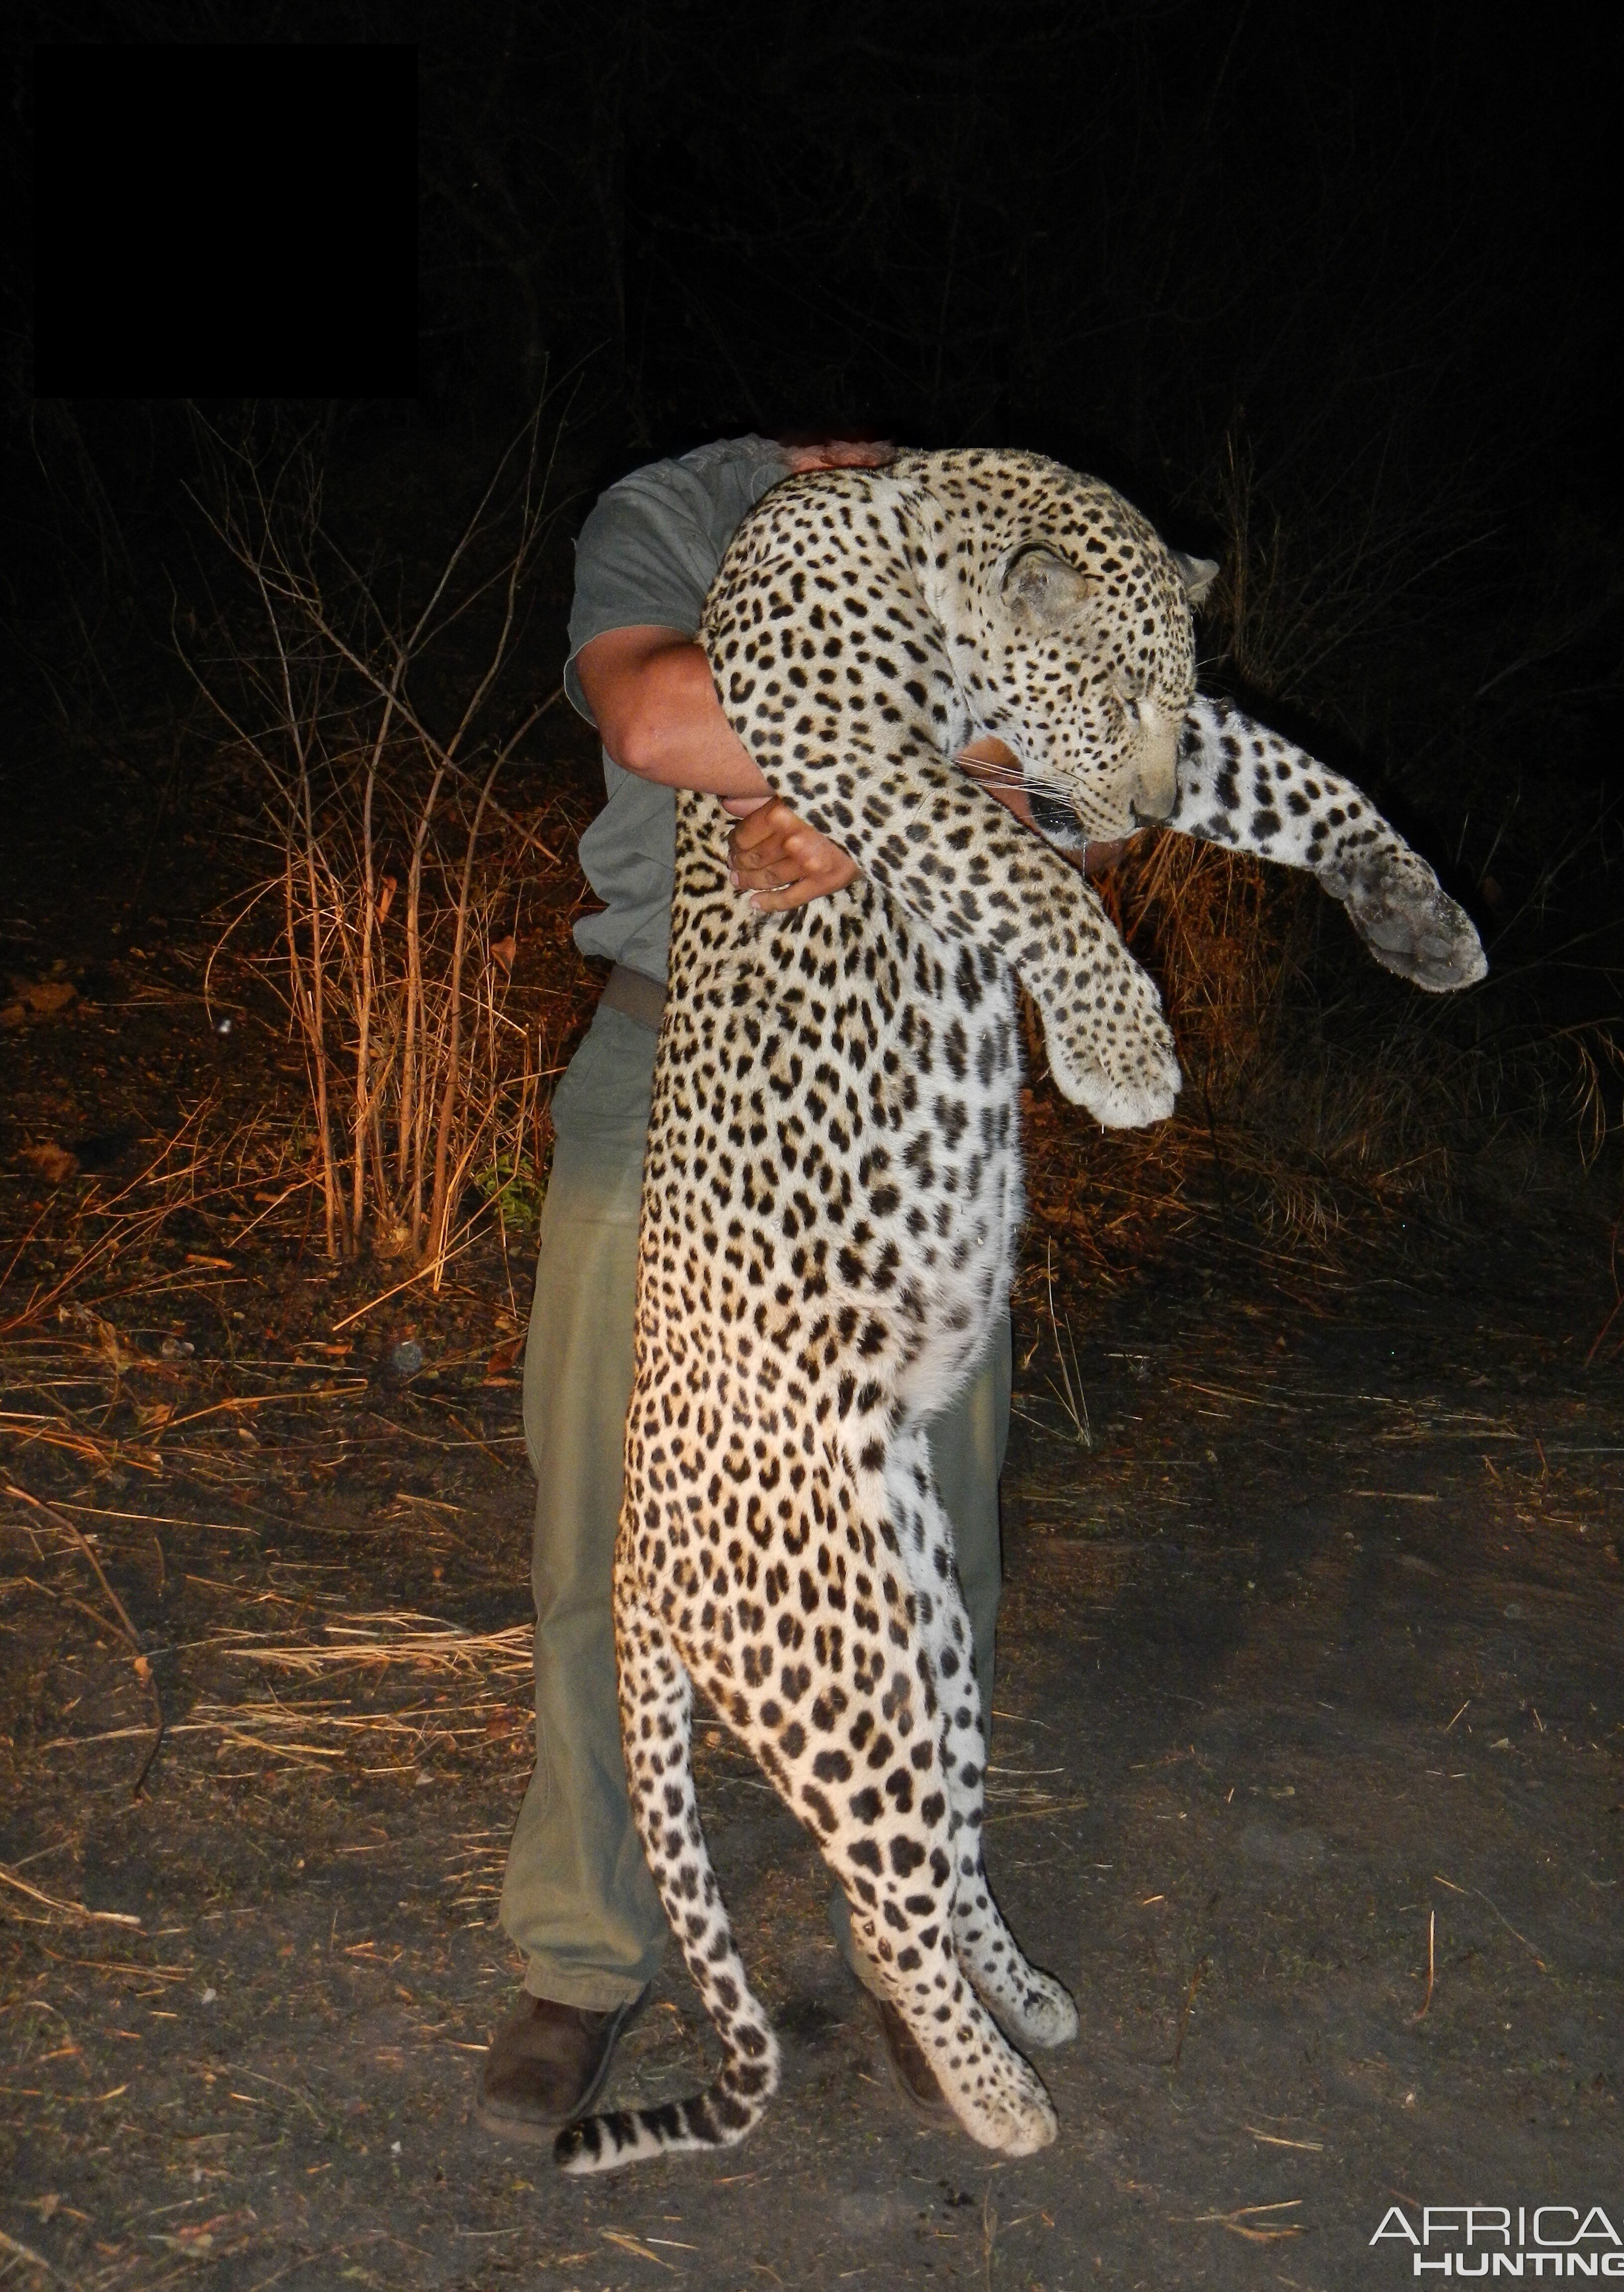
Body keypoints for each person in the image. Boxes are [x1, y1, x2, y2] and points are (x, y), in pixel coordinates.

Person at [477, 433, 1123, 2144]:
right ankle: (584, 1950)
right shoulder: (669, 508)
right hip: (673, 1065)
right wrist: (928, 778)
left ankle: (919, 1943)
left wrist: (913, 795)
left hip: (902, 1085)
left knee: (932, 1533)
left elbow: (1106, 777)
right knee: (615, 1533)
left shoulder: (999, 523)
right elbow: (659, 721)